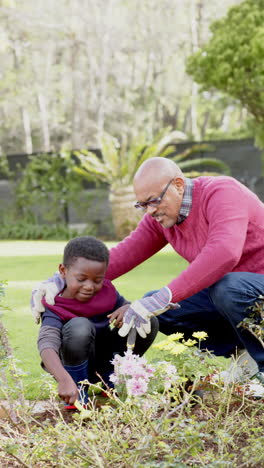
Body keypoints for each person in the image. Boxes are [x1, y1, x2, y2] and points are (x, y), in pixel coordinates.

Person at [32, 157, 264, 386]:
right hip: (234, 294)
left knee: (227, 288)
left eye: (154, 201)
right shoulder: (161, 218)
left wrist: (162, 298)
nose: (150, 211)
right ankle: (246, 357)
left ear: (178, 185)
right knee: (159, 311)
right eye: (142, 205)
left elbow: (224, 252)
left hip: (251, 287)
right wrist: (59, 281)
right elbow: (122, 255)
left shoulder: (222, 192)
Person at [37, 236, 158, 409]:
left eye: (97, 280)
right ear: (63, 271)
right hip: (74, 365)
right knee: (80, 326)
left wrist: (129, 308)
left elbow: (126, 308)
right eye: (81, 279)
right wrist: (63, 379)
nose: (89, 286)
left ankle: (116, 378)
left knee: (144, 318)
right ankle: (78, 388)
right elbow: (46, 345)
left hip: (105, 358)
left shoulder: (107, 291)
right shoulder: (54, 303)